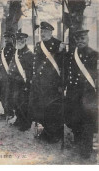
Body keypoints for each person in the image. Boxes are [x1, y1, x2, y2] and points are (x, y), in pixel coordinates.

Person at [28, 22, 65, 143]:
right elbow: (36, 64)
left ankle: (55, 134)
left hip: (53, 83)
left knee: (53, 109)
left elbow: (63, 67)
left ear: (51, 32)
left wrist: (61, 84)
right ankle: (47, 131)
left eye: (45, 31)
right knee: (42, 108)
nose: (42, 34)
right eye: (41, 31)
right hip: (40, 83)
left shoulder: (59, 45)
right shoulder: (38, 45)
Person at [64, 29, 98, 158]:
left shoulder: (95, 55)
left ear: (88, 39)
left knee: (87, 121)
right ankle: (78, 142)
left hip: (88, 94)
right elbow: (65, 72)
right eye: (77, 39)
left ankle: (86, 149)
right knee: (75, 119)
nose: (80, 41)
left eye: (82, 38)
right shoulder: (71, 54)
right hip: (73, 93)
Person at [7, 32, 34, 131]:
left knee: (24, 103)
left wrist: (28, 83)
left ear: (25, 41)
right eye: (18, 40)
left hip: (23, 83)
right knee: (16, 101)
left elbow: (31, 70)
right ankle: (19, 119)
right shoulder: (16, 52)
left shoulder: (29, 54)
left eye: (21, 40)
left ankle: (26, 123)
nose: (19, 42)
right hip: (14, 82)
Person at [0, 31, 15, 120]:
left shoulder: (13, 50)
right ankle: (6, 112)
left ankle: (9, 113)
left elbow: (12, 63)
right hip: (1, 74)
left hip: (7, 75)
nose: (6, 39)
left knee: (7, 94)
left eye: (8, 38)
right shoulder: (3, 49)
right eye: (5, 38)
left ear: (11, 39)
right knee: (2, 93)